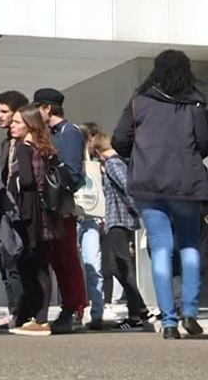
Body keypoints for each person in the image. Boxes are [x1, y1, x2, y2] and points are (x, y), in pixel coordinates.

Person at [112, 49, 208, 339]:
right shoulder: (196, 102)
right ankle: (189, 310)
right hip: (187, 183)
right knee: (190, 244)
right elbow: (205, 142)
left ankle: (168, 321)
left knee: (161, 249)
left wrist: (141, 156)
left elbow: (119, 140)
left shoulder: (138, 102)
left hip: (148, 182)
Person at [35, 88, 88, 334]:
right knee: (57, 259)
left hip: (63, 205)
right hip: (50, 205)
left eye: (38, 108)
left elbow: (74, 174)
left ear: (47, 108)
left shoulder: (69, 132)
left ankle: (75, 307)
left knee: (67, 258)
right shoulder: (48, 133)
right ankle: (68, 305)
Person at [8, 105, 58, 336]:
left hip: (29, 211)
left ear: (29, 125)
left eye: (17, 122)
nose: (12, 125)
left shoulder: (23, 149)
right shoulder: (46, 148)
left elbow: (26, 181)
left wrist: (14, 181)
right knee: (42, 265)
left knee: (29, 264)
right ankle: (40, 316)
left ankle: (39, 319)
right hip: (47, 210)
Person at [93, 134, 151, 331]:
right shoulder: (116, 163)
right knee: (115, 265)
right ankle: (140, 309)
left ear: (98, 151)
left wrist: (139, 211)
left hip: (119, 220)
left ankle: (136, 314)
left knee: (120, 265)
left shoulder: (112, 164)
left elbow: (128, 187)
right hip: (117, 221)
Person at [0, 90, 28, 331]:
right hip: (7, 208)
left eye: (4, 111)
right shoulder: (7, 142)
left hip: (22, 209)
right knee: (8, 261)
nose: (0, 116)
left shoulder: (25, 143)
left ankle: (21, 311)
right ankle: (15, 309)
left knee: (19, 262)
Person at [76, 122, 105, 330]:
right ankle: (78, 309)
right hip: (77, 216)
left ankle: (97, 312)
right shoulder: (66, 160)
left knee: (92, 264)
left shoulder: (95, 164)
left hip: (90, 216)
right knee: (79, 266)